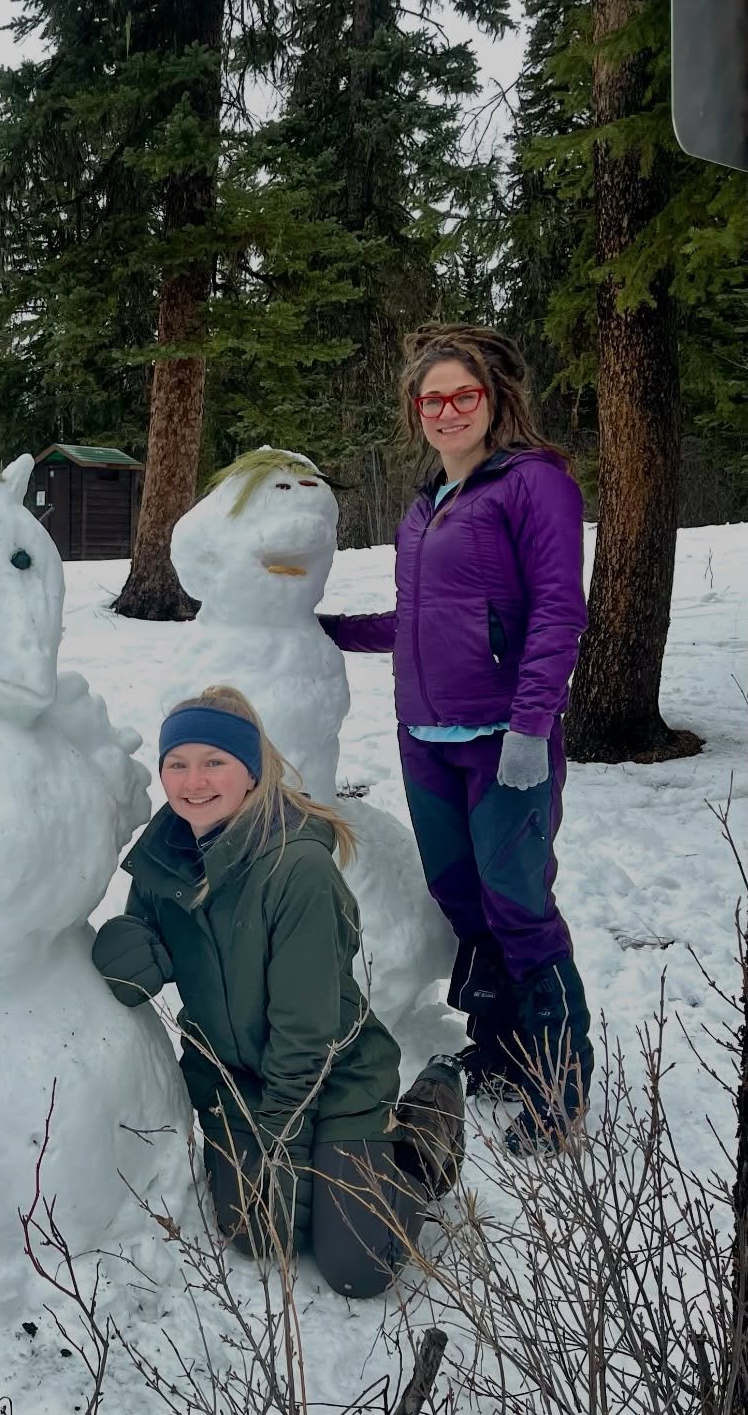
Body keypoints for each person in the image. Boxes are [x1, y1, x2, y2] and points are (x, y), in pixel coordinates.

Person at [91, 686, 465, 1298]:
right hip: (237, 1083)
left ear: (251, 770)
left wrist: (281, 1147)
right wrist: (121, 949)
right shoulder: (166, 859)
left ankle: (426, 1130)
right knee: (259, 1236)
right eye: (177, 764)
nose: (194, 781)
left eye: (215, 761)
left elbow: (306, 1035)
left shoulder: (297, 870)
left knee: (358, 1268)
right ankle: (334, 1171)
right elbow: (139, 958)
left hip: (331, 1075)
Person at [319, 324, 593, 1154]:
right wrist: (321, 629)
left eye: (461, 395)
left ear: (493, 398)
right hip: (426, 735)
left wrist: (530, 724)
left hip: (504, 735)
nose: (445, 410)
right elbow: (418, 621)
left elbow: (557, 610)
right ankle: (504, 1047)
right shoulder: (425, 501)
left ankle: (560, 1079)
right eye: (430, 398)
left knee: (517, 896)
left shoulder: (533, 484)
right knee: (463, 894)